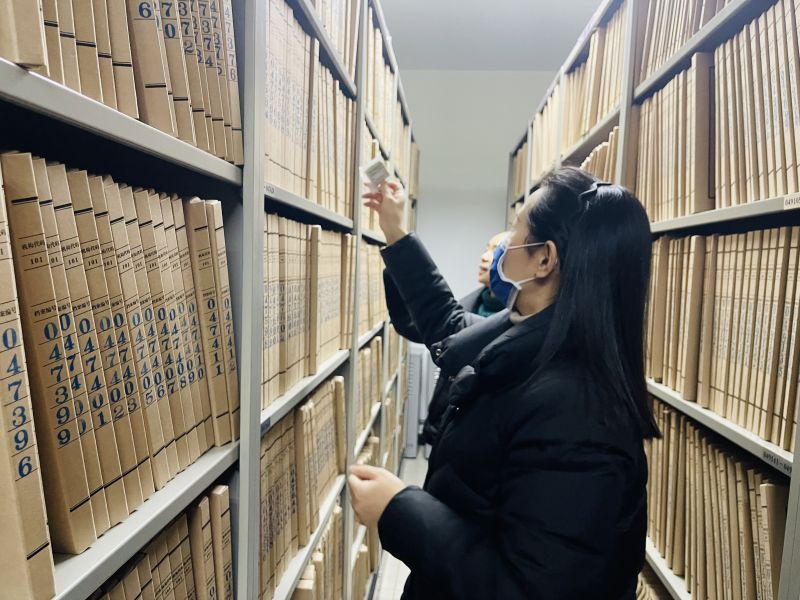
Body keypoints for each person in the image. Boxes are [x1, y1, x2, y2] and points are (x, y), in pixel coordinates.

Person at [348, 167, 658, 599]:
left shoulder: (578, 413)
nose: (504, 242)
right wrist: (397, 233)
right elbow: (450, 325)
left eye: (516, 228)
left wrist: (398, 509)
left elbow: (528, 589)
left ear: (544, 259)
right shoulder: (530, 331)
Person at [385, 230, 507, 446]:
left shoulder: (514, 322)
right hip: (445, 426)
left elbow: (445, 324)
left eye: (496, 250)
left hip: (478, 438)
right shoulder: (470, 304)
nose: (484, 256)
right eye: (486, 248)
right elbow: (414, 327)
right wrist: (395, 274)